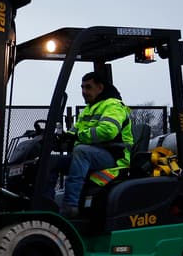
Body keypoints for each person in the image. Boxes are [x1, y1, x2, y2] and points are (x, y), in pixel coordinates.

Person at [57, 72, 134, 218]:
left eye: (88, 87)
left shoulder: (113, 105)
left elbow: (108, 131)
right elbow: (75, 131)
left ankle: (70, 206)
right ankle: (45, 204)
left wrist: (78, 137)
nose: (84, 91)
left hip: (114, 157)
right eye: (82, 87)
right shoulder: (89, 109)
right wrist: (61, 139)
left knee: (81, 151)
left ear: (100, 88)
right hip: (93, 154)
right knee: (52, 162)